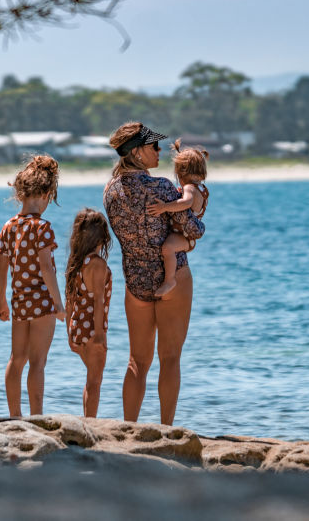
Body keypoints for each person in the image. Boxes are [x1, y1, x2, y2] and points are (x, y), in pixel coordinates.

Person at [103, 121, 204, 425]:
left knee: (137, 361)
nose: (160, 150)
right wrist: (188, 241)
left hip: (136, 281)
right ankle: (167, 429)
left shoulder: (110, 191)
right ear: (136, 153)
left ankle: (128, 428)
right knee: (170, 358)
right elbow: (195, 229)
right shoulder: (161, 188)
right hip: (172, 278)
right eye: (153, 146)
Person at [0, 155, 66, 417]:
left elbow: (1, 270)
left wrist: (2, 302)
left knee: (17, 359)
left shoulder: (8, 227)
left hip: (19, 302)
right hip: (43, 302)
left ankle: (14, 415)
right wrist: (59, 305)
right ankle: (37, 417)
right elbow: (46, 268)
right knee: (38, 362)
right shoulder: (43, 228)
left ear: (20, 194)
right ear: (47, 195)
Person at [63, 208, 112, 418]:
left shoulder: (76, 263)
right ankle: (91, 423)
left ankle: (87, 420)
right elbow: (99, 301)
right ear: (102, 237)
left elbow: (69, 301)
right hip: (93, 327)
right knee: (95, 381)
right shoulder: (98, 265)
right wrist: (100, 334)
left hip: (78, 326)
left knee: (90, 378)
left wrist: (69, 333)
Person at [145, 139, 209, 299]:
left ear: (181, 173)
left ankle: (170, 280)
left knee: (167, 248)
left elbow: (186, 202)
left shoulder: (189, 188)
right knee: (167, 248)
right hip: (187, 235)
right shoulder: (201, 188)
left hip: (185, 236)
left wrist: (164, 207)